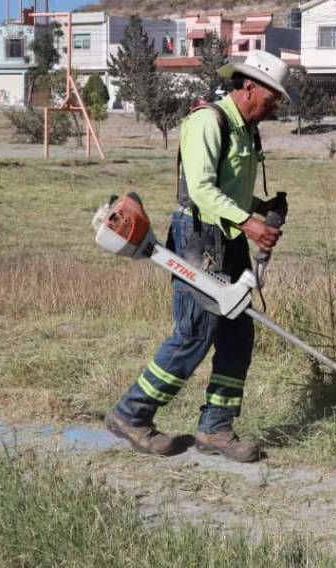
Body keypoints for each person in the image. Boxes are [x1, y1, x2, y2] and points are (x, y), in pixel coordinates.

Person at [106, 50, 291, 462]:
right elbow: (203, 191)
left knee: (237, 335)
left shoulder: (247, 130)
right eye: (272, 96)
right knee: (194, 332)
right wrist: (250, 222)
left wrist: (259, 208)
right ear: (249, 87)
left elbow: (227, 190)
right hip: (198, 239)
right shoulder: (208, 121)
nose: (274, 105)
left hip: (230, 238)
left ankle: (216, 430)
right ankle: (131, 414)